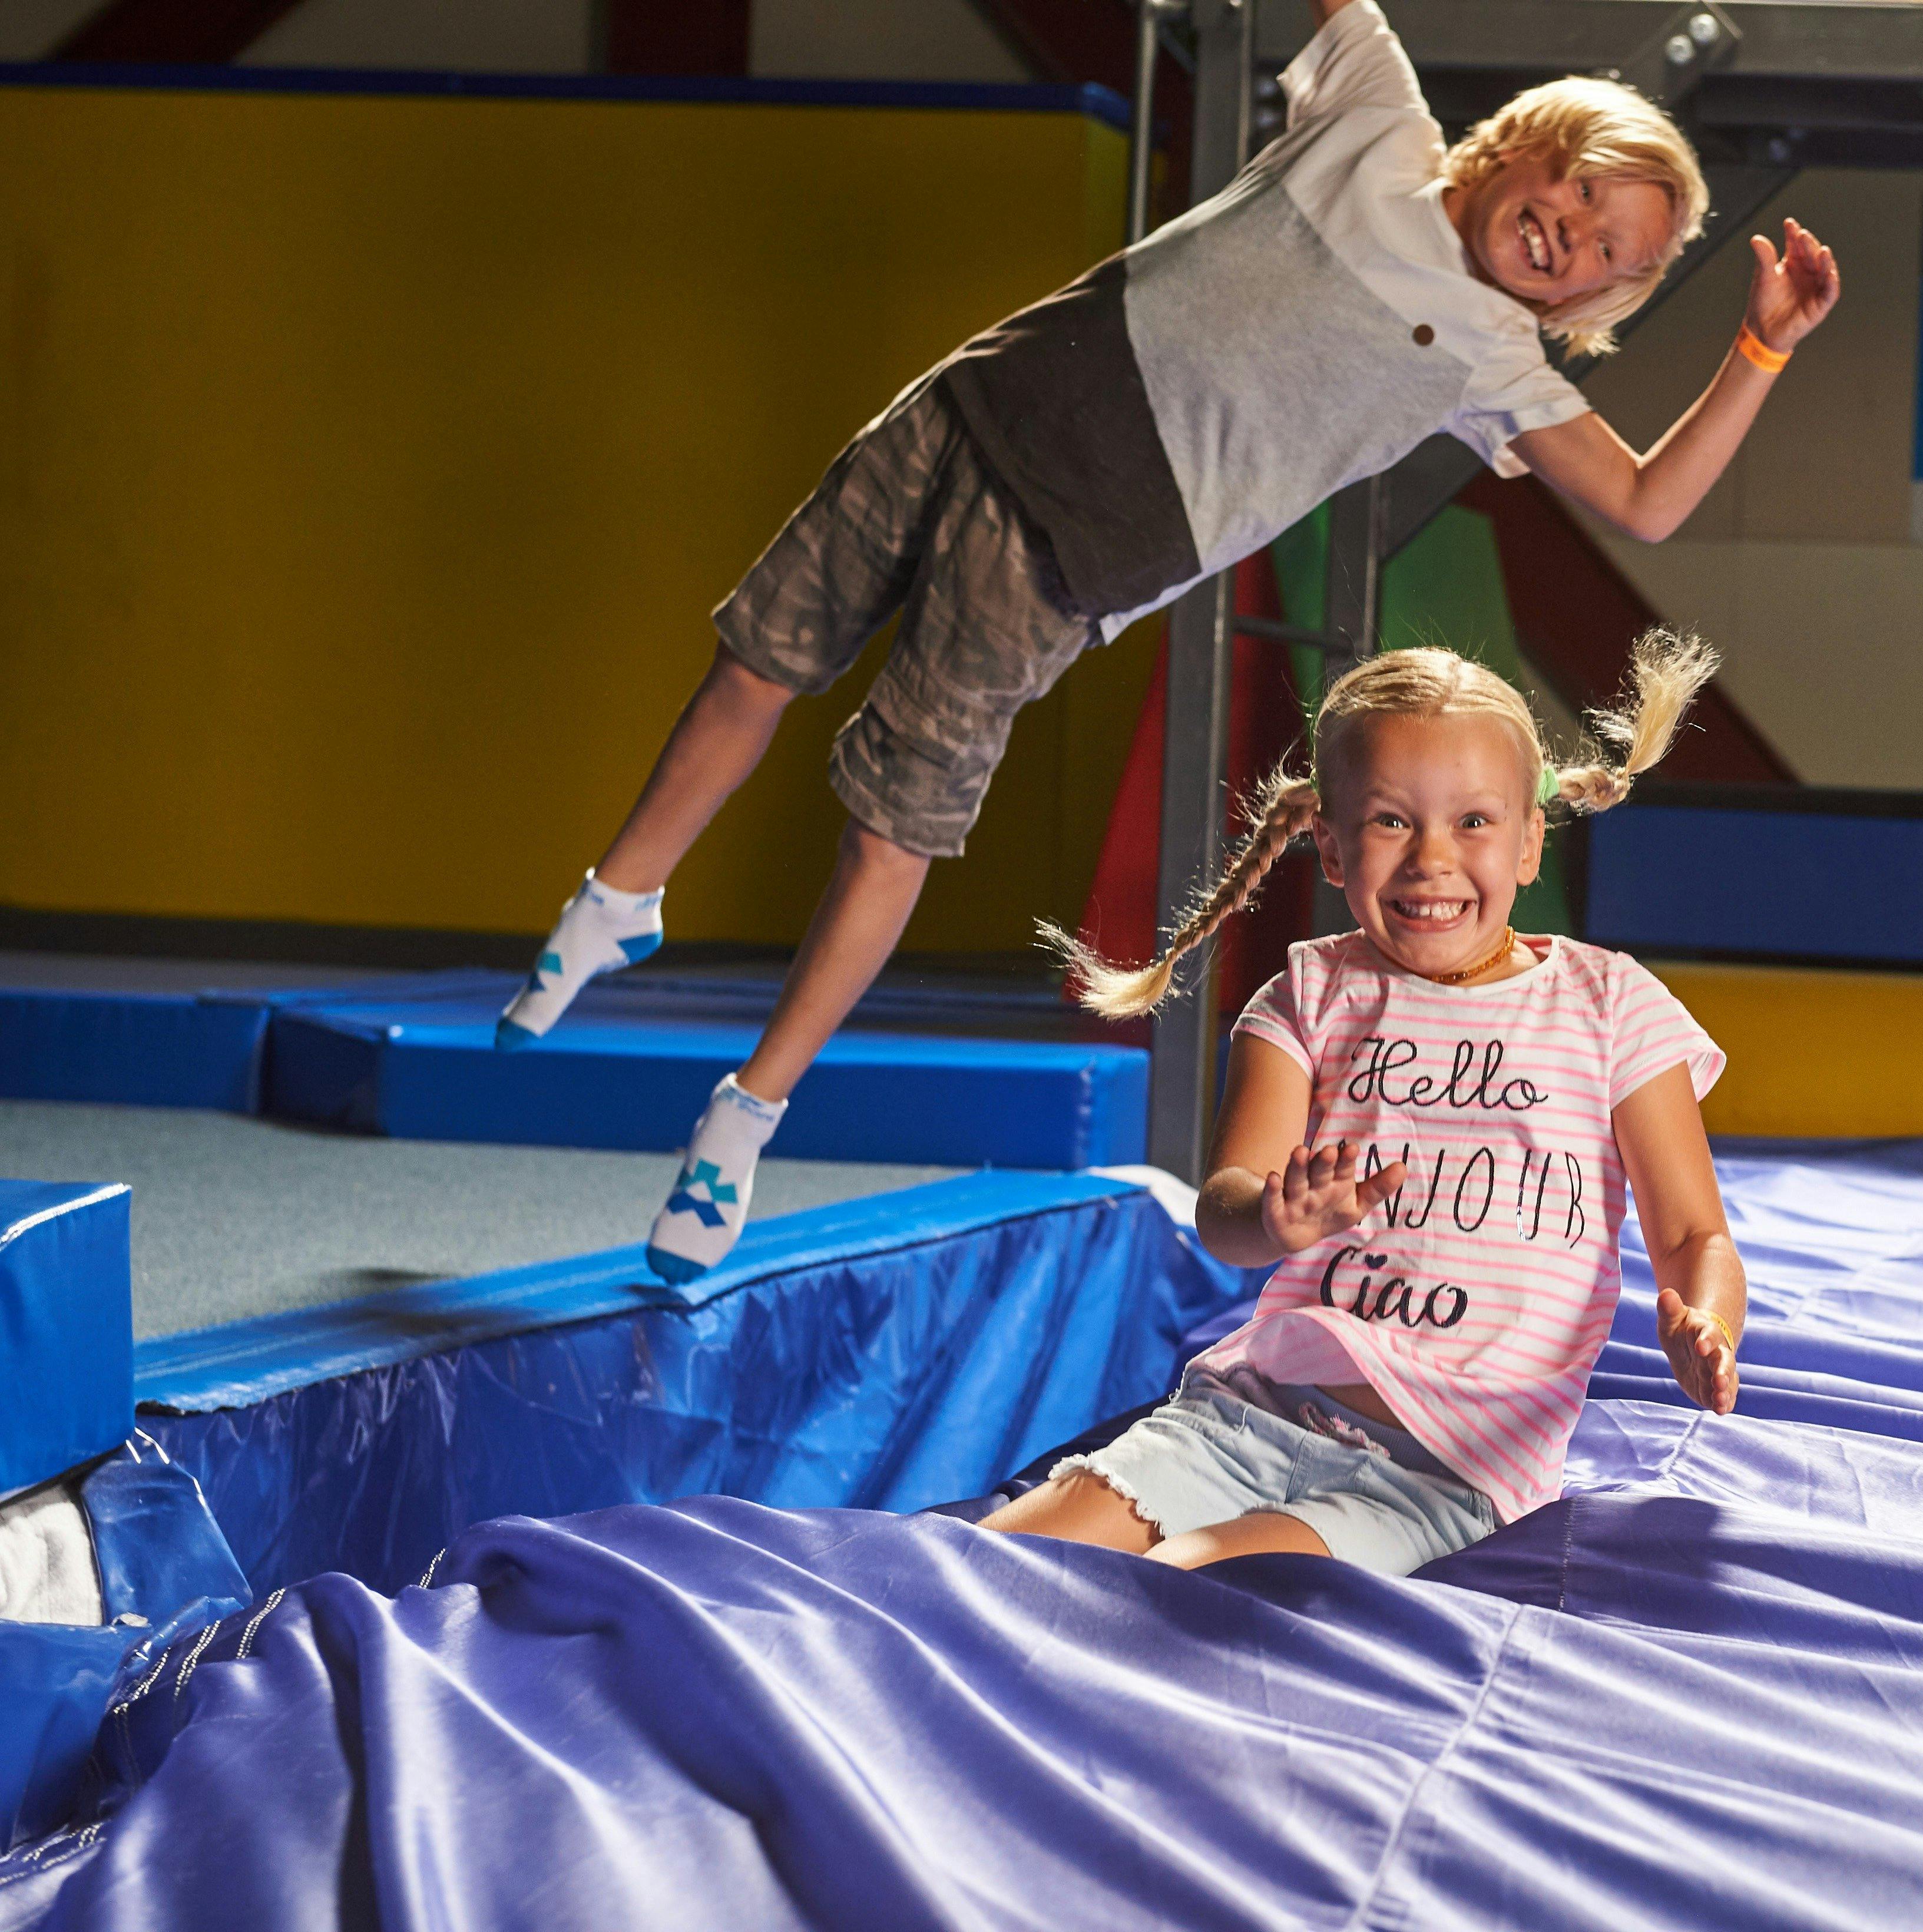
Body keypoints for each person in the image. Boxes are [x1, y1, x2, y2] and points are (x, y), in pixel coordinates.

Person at [494, 0, 1839, 1285]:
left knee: (892, 827)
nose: (1578, 240)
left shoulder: (1495, 358)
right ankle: (619, 899)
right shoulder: (1375, 119)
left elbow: (1646, 502)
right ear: (1524, 145)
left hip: (1064, 556)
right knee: (760, 655)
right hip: (973, 407)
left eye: (1614, 255)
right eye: (1581, 195)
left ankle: (747, 1112)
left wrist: (1759, 354)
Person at [977, 634, 1743, 1573]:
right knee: (989, 1566)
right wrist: (1272, 1216)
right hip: (1244, 1419)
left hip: (1444, 1469)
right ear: (1332, 848)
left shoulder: (1609, 1003)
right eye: (1390, 822)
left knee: (1191, 1582)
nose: (1432, 860)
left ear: (1531, 842)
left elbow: (1692, 1237)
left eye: (1473, 822)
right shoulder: (1308, 995)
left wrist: (1705, 1321)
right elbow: (1225, 1209)